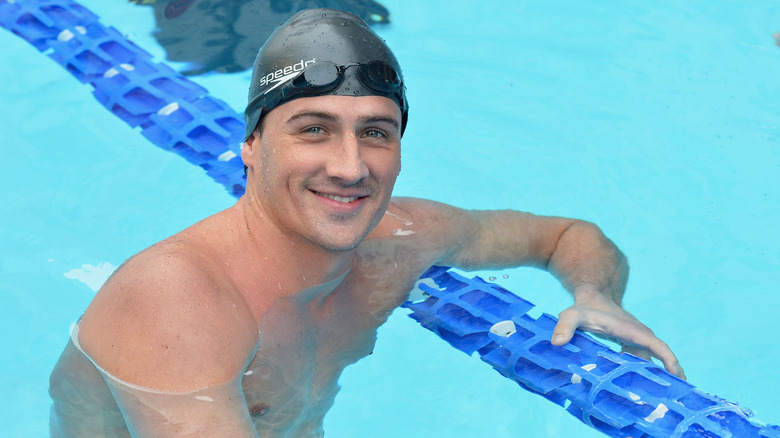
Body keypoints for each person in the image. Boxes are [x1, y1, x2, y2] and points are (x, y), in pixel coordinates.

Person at [48, 8, 685, 438]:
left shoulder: (399, 242)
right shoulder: (178, 299)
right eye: (313, 130)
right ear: (251, 147)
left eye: (375, 133)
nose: (350, 167)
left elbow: (570, 237)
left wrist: (595, 293)